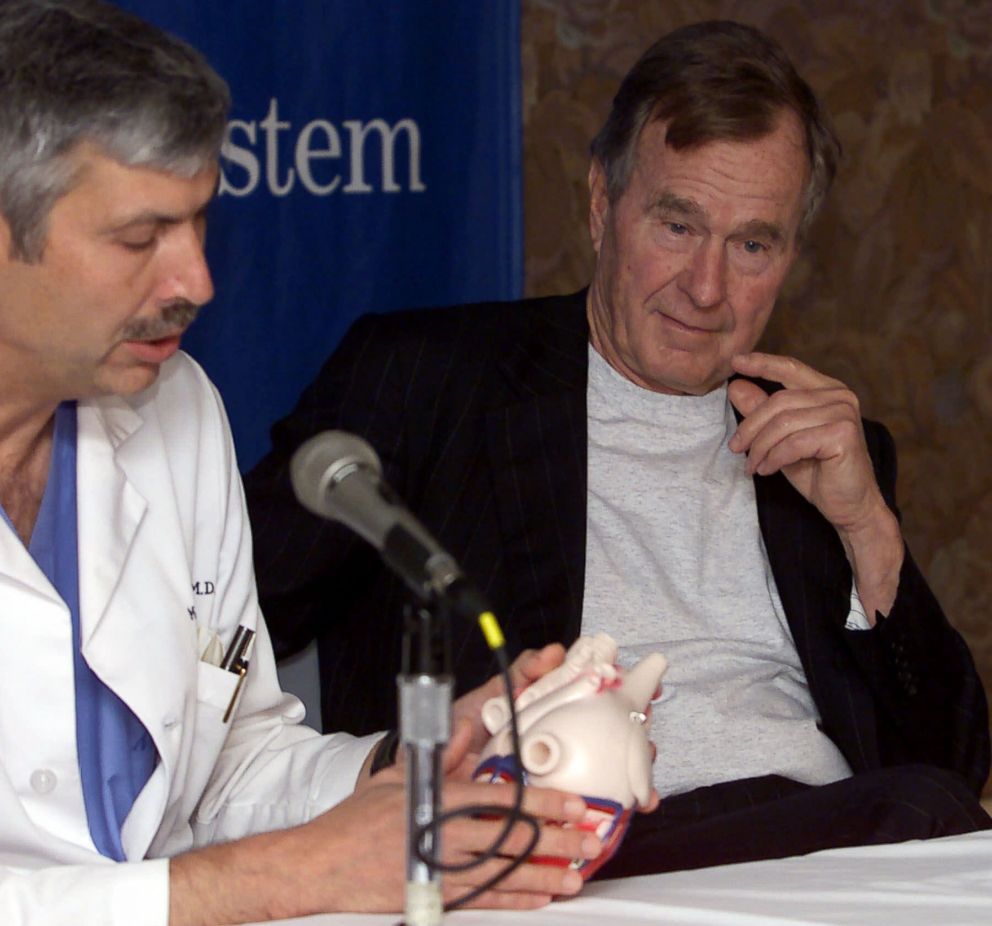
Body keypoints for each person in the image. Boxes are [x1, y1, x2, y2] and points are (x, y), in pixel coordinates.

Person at [245, 19, 992, 877]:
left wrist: (870, 531)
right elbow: (218, 630)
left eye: (752, 244)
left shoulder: (820, 448)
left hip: (830, 850)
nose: (707, 289)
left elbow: (956, 762)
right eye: (677, 227)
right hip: (578, 844)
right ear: (602, 205)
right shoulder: (427, 383)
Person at [0, 2, 624, 923]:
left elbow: (231, 770)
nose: (197, 283)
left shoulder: (177, 409)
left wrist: (400, 767)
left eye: (200, 223)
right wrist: (295, 874)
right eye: (140, 240)